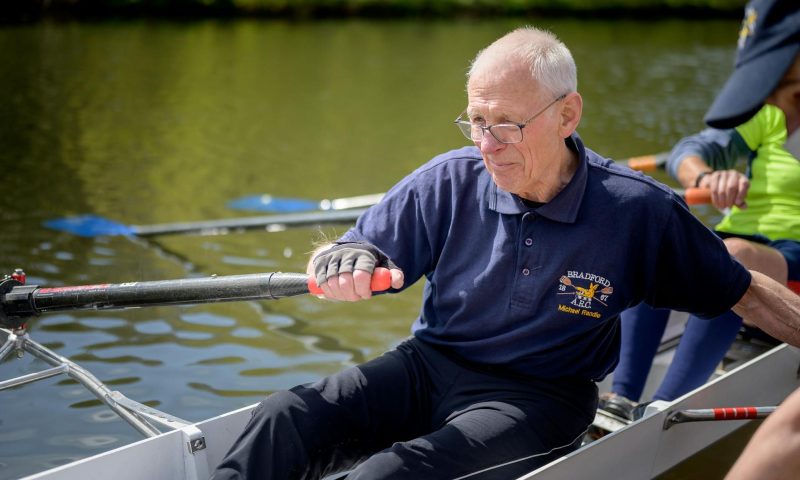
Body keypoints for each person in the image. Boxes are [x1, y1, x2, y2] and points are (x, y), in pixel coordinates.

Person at [210, 26, 800, 480]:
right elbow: (355, 245)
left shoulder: (636, 209)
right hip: (428, 366)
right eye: (476, 121)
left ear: (567, 114)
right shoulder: (448, 179)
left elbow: (744, 291)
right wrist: (341, 259)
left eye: (507, 125)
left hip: (539, 398)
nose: (486, 145)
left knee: (388, 475)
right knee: (283, 417)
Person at [603, 0, 800, 422]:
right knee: (659, 244)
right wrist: (707, 177)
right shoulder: (772, 112)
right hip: (744, 242)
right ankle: (620, 397)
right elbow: (687, 152)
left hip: (786, 258)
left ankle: (667, 405)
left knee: (733, 258)